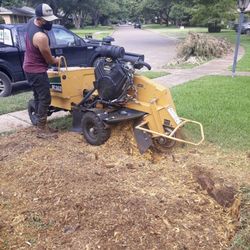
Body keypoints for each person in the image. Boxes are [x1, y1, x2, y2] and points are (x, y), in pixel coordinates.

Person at [23, 3, 60, 138]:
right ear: (39, 19)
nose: (50, 23)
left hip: (29, 66)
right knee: (45, 98)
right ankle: (41, 130)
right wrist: (57, 60)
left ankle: (41, 125)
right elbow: (50, 60)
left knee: (38, 97)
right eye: (47, 20)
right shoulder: (41, 37)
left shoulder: (30, 22)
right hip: (36, 70)